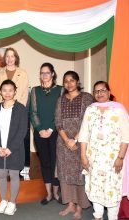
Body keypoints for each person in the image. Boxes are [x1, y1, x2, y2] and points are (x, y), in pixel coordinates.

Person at [79, 81, 129, 220]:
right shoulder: (90, 109)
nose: (99, 93)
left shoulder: (119, 109)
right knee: (95, 188)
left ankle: (113, 217)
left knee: (112, 189)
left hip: (113, 160)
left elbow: (126, 137)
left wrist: (120, 158)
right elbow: (84, 134)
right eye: (96, 91)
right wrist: (83, 156)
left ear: (108, 92)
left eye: (102, 90)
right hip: (93, 159)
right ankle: (98, 216)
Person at [54, 71, 93, 219]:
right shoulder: (61, 99)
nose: (69, 84)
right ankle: (70, 204)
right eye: (66, 81)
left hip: (81, 142)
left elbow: (87, 121)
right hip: (63, 143)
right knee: (65, 174)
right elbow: (58, 121)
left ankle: (79, 207)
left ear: (77, 82)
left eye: (72, 80)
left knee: (79, 174)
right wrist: (66, 140)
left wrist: (75, 139)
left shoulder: (87, 98)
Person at [0, 80, 28, 216]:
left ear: (15, 91)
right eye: (4, 90)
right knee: (1, 174)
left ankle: (12, 202)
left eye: (10, 90)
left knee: (13, 175)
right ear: (0, 92)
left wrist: (10, 148)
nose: (7, 93)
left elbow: (23, 130)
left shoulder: (21, 108)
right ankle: (3, 200)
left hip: (15, 149)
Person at [30, 62, 63, 205]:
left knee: (56, 162)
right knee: (45, 162)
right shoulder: (35, 90)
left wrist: (50, 129)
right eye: (42, 73)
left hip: (56, 132)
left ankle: (56, 193)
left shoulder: (61, 90)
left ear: (53, 74)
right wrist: (40, 129)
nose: (44, 75)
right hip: (39, 132)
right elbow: (33, 111)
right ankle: (48, 194)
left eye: (47, 72)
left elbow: (60, 112)